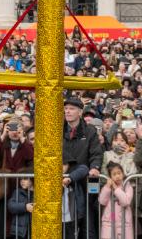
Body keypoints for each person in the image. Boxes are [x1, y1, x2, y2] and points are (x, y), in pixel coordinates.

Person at [62, 97, 102, 239]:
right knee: (66, 223)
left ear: (80, 112)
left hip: (85, 181)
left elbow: (96, 153)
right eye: (66, 108)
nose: (67, 111)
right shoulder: (57, 130)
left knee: (87, 220)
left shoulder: (90, 131)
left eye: (71, 109)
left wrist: (95, 167)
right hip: (64, 181)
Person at [99, 162, 134, 239]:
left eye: (119, 173)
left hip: (124, 223)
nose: (117, 176)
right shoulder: (107, 187)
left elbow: (126, 201)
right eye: (114, 174)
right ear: (110, 177)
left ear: (123, 173)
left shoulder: (127, 186)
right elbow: (102, 201)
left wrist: (116, 188)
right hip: (109, 222)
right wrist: (107, 187)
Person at [5, 175, 33, 239]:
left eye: (25, 179)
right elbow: (11, 206)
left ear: (32, 179)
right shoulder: (18, 192)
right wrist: (25, 207)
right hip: (19, 231)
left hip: (34, 229)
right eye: (21, 179)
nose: (22, 181)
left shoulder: (39, 193)